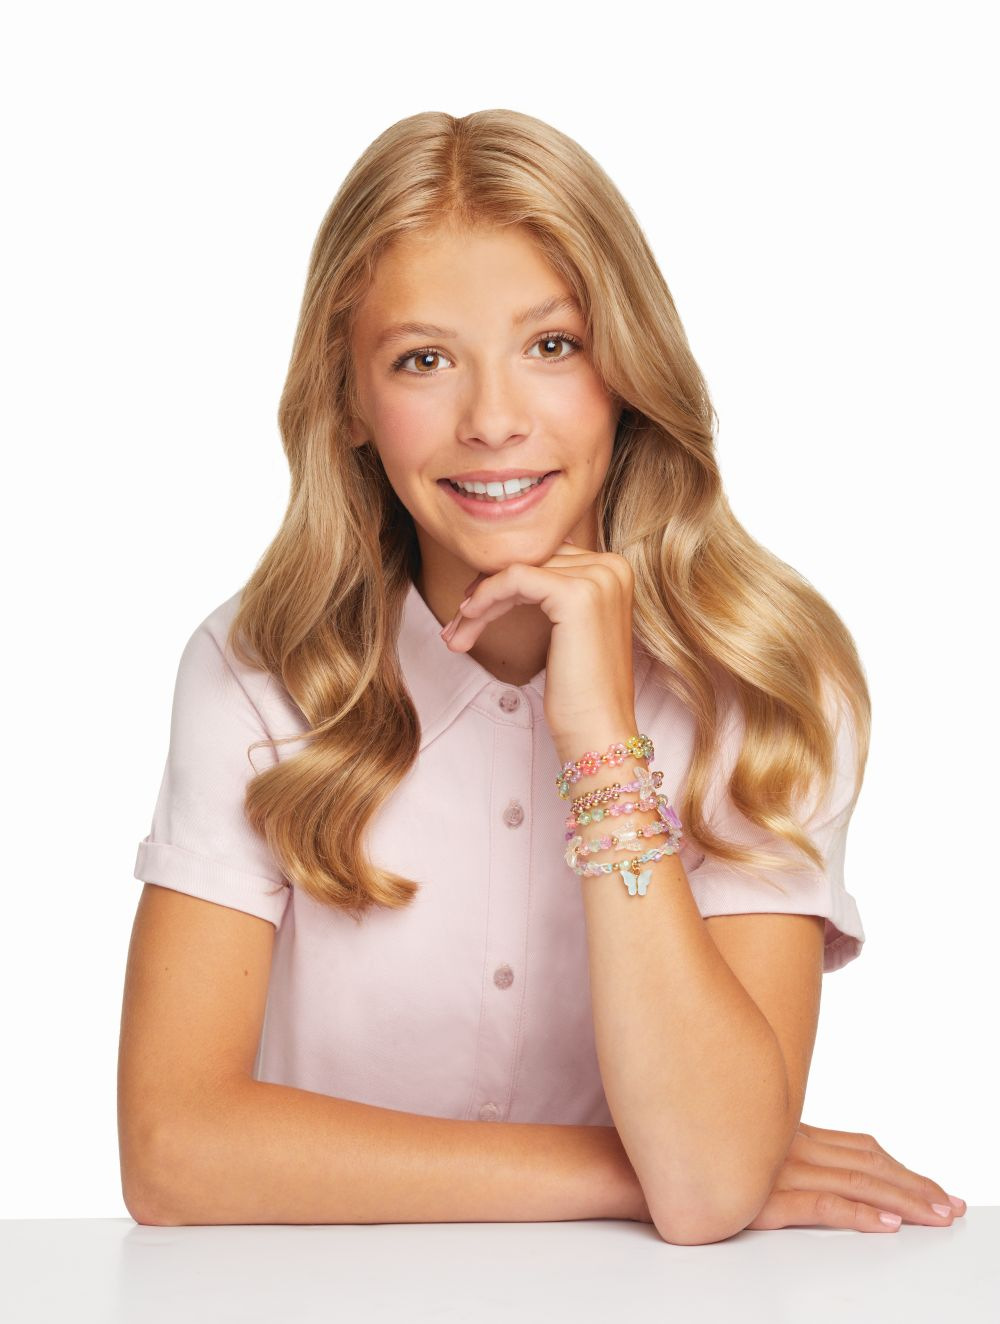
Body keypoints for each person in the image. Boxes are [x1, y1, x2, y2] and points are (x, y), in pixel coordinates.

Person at [117, 108, 964, 1241]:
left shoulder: (768, 683)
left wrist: (602, 740)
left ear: (626, 368)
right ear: (352, 402)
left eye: (551, 345)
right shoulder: (258, 672)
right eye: (424, 360)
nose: (494, 421)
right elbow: (172, 1156)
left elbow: (709, 1186)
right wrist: (642, 1167)